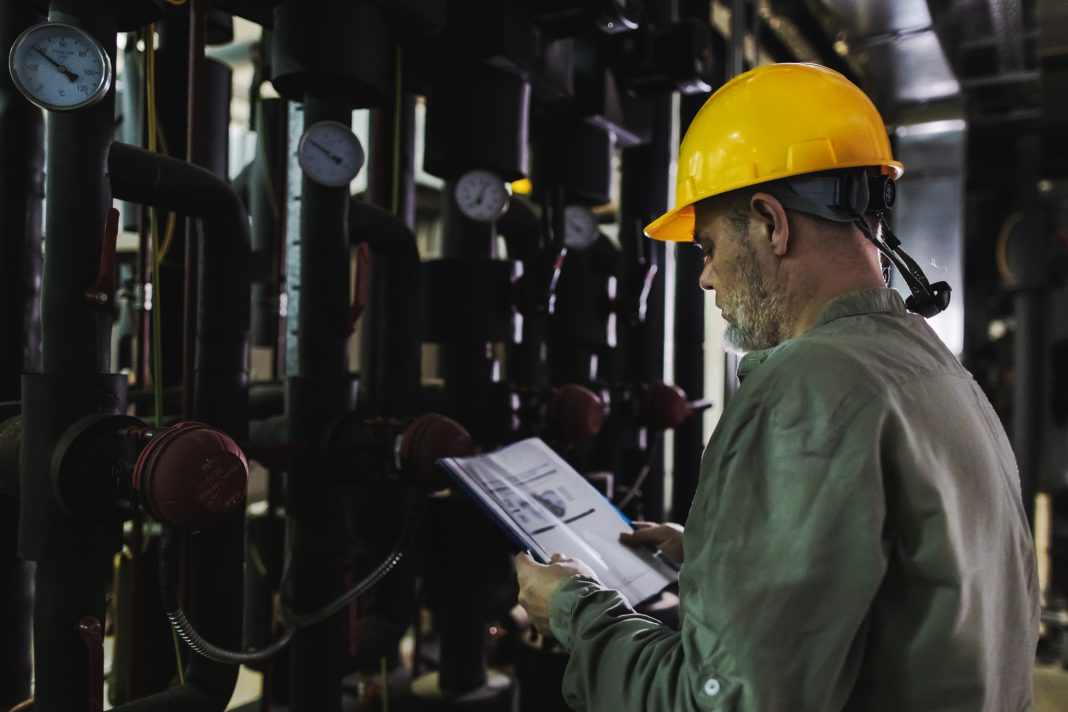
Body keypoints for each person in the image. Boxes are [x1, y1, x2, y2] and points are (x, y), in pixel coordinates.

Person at [514, 63, 1039, 711]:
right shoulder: (931, 368)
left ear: (770, 222)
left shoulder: (807, 391)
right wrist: (711, 556)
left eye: (707, 248)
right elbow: (903, 585)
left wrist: (573, 611)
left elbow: (720, 704)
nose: (705, 280)